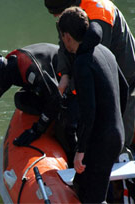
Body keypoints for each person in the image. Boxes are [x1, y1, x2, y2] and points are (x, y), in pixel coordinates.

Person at [44, 0, 135, 150]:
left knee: (117, 130)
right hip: (97, 67)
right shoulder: (70, 15)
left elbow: (96, 62)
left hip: (127, 74)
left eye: (56, 13)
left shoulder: (99, 15)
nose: (55, 16)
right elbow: (64, 45)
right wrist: (65, 74)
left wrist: (75, 88)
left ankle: (121, 154)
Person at [57, 7, 125, 202]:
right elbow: (124, 87)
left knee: (94, 198)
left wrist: (80, 151)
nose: (63, 42)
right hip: (115, 135)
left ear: (67, 36)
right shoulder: (105, 51)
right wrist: (115, 120)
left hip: (100, 141)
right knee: (82, 183)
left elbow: (89, 112)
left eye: (62, 37)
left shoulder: (82, 63)